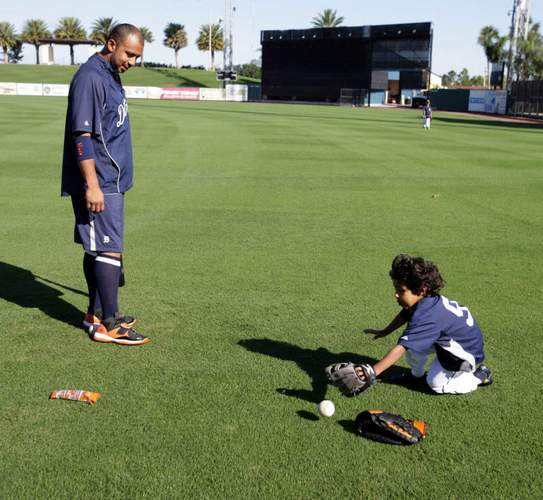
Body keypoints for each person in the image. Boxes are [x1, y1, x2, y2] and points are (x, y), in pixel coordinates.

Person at [61, 24, 149, 345]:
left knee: (99, 246)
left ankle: (94, 313)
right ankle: (109, 324)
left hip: (112, 178)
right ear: (111, 44)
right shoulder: (90, 78)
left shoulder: (110, 74)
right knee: (109, 248)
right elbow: (81, 137)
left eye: (138, 57)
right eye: (129, 54)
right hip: (99, 179)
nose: (133, 62)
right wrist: (92, 185)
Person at [363, 254, 492, 394]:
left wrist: (372, 372)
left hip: (464, 354)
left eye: (401, 290)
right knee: (414, 345)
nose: (396, 294)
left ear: (422, 290)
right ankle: (416, 375)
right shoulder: (426, 300)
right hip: (448, 341)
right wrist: (385, 331)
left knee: (436, 384)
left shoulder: (429, 316)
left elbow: (401, 348)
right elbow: (406, 314)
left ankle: (480, 375)